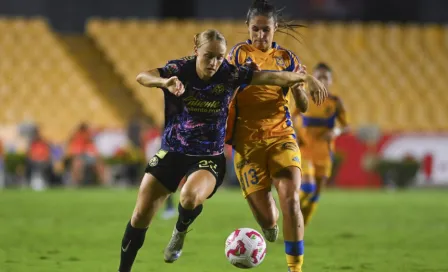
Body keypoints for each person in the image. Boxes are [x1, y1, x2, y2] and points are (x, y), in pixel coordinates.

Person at [117, 28, 327, 272]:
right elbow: (142, 76)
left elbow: (275, 77)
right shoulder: (179, 70)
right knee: (140, 217)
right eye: (209, 56)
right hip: (172, 152)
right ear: (196, 51)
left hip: (209, 157)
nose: (215, 62)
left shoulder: (230, 74)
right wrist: (164, 82)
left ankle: (180, 231)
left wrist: (305, 78)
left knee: (189, 195)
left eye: (220, 56)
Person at [226, 1, 328, 271]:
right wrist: (297, 78)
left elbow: (303, 107)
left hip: (280, 135)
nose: (261, 36)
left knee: (291, 198)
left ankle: (295, 268)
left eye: (266, 30)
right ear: (248, 28)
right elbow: (252, 79)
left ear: (275, 29)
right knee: (268, 220)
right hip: (246, 145)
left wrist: (297, 88)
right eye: (256, 29)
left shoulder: (287, 58)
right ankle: (268, 226)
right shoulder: (239, 54)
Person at [295, 62, 349, 226]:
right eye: (319, 77)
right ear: (314, 79)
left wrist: (336, 132)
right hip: (304, 150)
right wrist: (296, 134)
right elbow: (289, 117)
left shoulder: (335, 102)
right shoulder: (303, 98)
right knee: (308, 188)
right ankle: (290, 207)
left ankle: (299, 228)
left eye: (325, 77)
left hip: (324, 153)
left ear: (330, 80)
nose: (322, 80)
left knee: (316, 195)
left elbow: (346, 126)